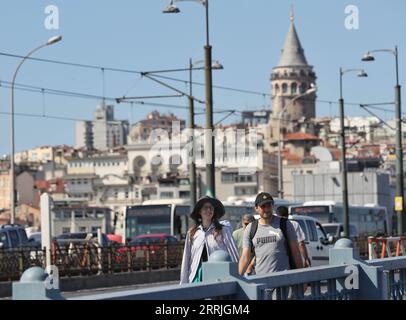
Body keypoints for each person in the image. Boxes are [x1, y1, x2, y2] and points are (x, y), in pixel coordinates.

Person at [238, 192, 303, 276]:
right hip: (261, 281)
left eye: (269, 205)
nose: (267, 209)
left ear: (273, 206)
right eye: (263, 206)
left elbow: (296, 252)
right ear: (256, 208)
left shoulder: (285, 224)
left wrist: (302, 277)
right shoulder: (251, 228)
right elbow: (245, 257)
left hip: (284, 281)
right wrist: (238, 278)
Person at [180, 196, 239, 284]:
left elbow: (234, 253)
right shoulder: (192, 233)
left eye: (211, 208)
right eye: (205, 208)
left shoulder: (223, 230)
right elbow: (186, 259)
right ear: (199, 211)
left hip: (219, 276)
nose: (209, 210)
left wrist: (239, 276)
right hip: (197, 276)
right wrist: (183, 283)